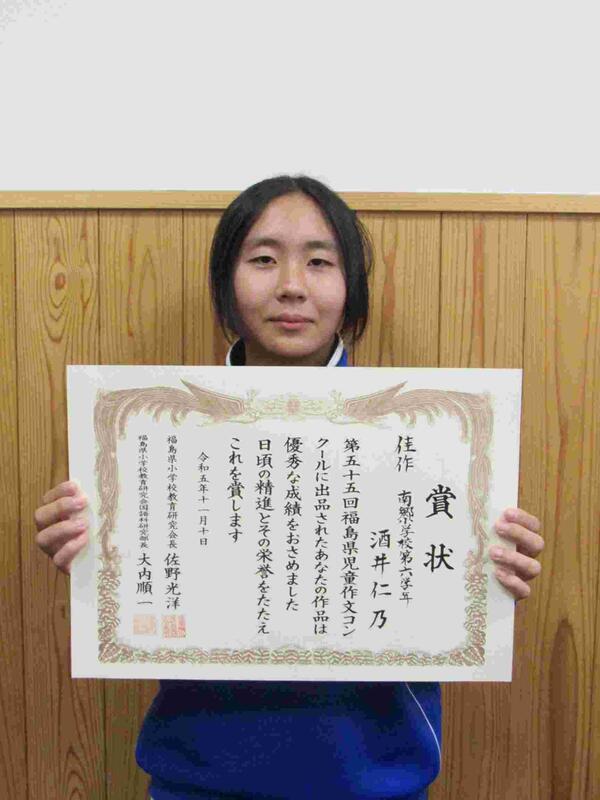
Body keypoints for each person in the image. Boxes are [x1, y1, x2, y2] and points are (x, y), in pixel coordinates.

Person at [34, 175, 544, 800]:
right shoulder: (156, 436)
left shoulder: (428, 441)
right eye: (264, 259)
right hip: (199, 778)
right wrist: (91, 548)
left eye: (320, 262)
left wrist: (492, 566)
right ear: (226, 282)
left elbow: (444, 601)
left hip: (377, 780)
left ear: (351, 287)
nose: (292, 285)